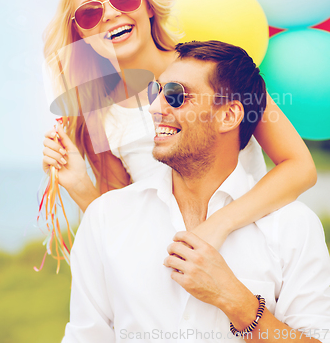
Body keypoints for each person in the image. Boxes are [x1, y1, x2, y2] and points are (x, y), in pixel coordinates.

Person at [42, 0, 316, 250]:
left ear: (147, 5)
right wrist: (81, 187)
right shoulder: (100, 115)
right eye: (89, 13)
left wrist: (218, 225)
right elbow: (120, 226)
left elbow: (299, 168)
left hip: (253, 249)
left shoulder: (216, 66)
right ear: (80, 32)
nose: (109, 15)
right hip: (172, 270)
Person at [62, 41, 330, 342]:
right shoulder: (105, 217)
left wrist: (236, 301)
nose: (154, 107)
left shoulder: (295, 228)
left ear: (228, 116)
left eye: (176, 96)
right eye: (156, 92)